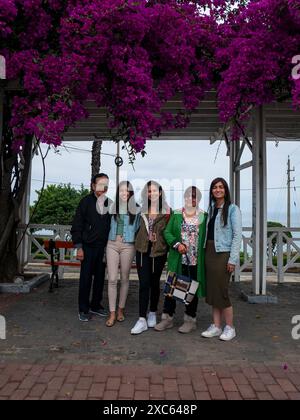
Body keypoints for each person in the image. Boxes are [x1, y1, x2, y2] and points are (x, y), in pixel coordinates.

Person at [155, 186, 207, 334]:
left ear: (198, 199)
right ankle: (167, 319)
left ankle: (190, 320)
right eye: (188, 196)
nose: (190, 199)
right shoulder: (177, 214)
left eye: (194, 197)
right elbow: (167, 231)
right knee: (172, 288)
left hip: (195, 260)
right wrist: (177, 244)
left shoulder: (204, 216)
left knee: (192, 289)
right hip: (178, 257)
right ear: (184, 198)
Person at [202, 178, 242, 341]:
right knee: (213, 291)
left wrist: (232, 259)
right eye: (214, 187)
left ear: (225, 190)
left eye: (220, 187)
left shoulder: (232, 209)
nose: (217, 190)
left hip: (223, 253)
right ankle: (217, 326)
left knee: (222, 291)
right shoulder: (211, 208)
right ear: (212, 191)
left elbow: (237, 235)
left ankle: (230, 327)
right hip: (209, 252)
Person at [131, 181, 171, 335]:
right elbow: (133, 227)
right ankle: (141, 319)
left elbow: (169, 231)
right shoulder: (140, 209)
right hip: (142, 250)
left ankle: (152, 312)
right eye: (149, 191)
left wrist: (159, 239)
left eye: (154, 191)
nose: (151, 193)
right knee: (144, 284)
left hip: (159, 251)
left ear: (160, 193)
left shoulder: (168, 211)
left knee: (155, 283)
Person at [71, 173, 112, 322]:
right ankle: (83, 309)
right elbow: (77, 226)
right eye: (100, 185)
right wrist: (79, 247)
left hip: (103, 248)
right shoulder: (85, 202)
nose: (103, 188)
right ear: (93, 186)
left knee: (100, 278)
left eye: (106, 185)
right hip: (87, 247)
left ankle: (96, 305)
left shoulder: (109, 204)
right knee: (86, 279)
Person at [106, 181, 140, 327]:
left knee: (124, 278)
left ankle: (121, 310)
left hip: (128, 246)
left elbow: (141, 228)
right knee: (112, 278)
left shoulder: (137, 209)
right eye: (121, 191)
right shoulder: (112, 207)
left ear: (131, 193)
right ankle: (112, 312)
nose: (124, 193)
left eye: (127, 191)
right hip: (112, 244)